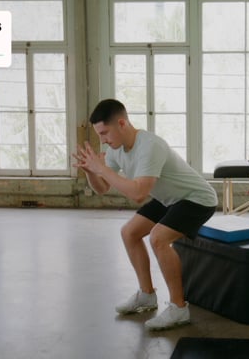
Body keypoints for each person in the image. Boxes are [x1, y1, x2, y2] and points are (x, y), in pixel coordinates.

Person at [73, 99, 218, 331]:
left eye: (104, 133)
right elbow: (102, 188)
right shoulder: (116, 149)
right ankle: (147, 295)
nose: (103, 140)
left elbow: (139, 193)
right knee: (129, 233)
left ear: (122, 123)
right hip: (169, 198)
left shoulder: (150, 146)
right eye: (99, 135)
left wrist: (103, 169)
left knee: (158, 238)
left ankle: (179, 308)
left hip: (197, 199)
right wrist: (92, 171)